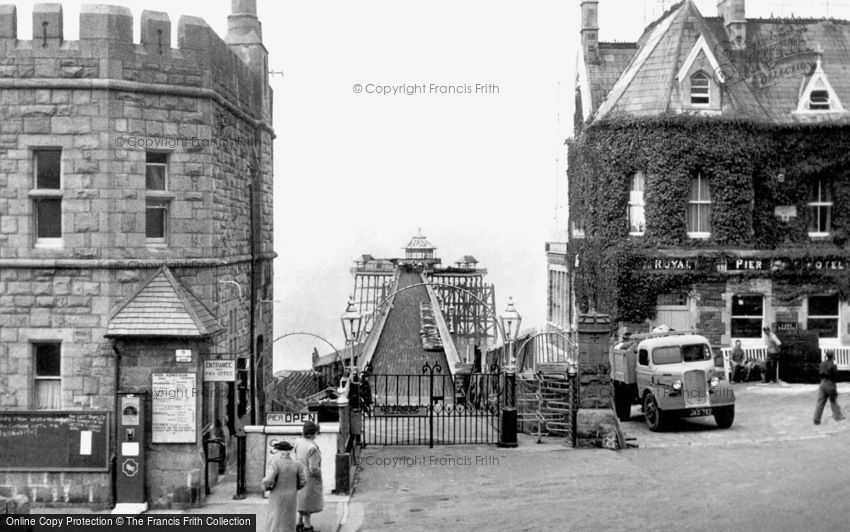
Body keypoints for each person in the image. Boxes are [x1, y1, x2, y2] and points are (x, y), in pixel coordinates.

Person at [262, 440, 306, 532]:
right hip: (291, 496)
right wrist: (294, 487)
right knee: (289, 519)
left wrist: (266, 487)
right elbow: (303, 481)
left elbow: (268, 480)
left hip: (277, 495)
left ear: (281, 452)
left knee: (276, 518)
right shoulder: (298, 464)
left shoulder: (276, 464)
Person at [294, 421, 323, 532]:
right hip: (309, 478)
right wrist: (320, 474)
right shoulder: (312, 448)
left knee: (301, 500)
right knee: (308, 502)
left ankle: (299, 522)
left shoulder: (298, 442)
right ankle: (307, 526)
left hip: (299, 475)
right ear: (314, 433)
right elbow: (313, 468)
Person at [814, 350, 846, 425]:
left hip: (822, 383)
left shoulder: (822, 364)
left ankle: (816, 419)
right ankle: (838, 416)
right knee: (833, 400)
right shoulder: (833, 365)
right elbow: (835, 377)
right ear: (832, 356)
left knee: (820, 402)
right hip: (830, 383)